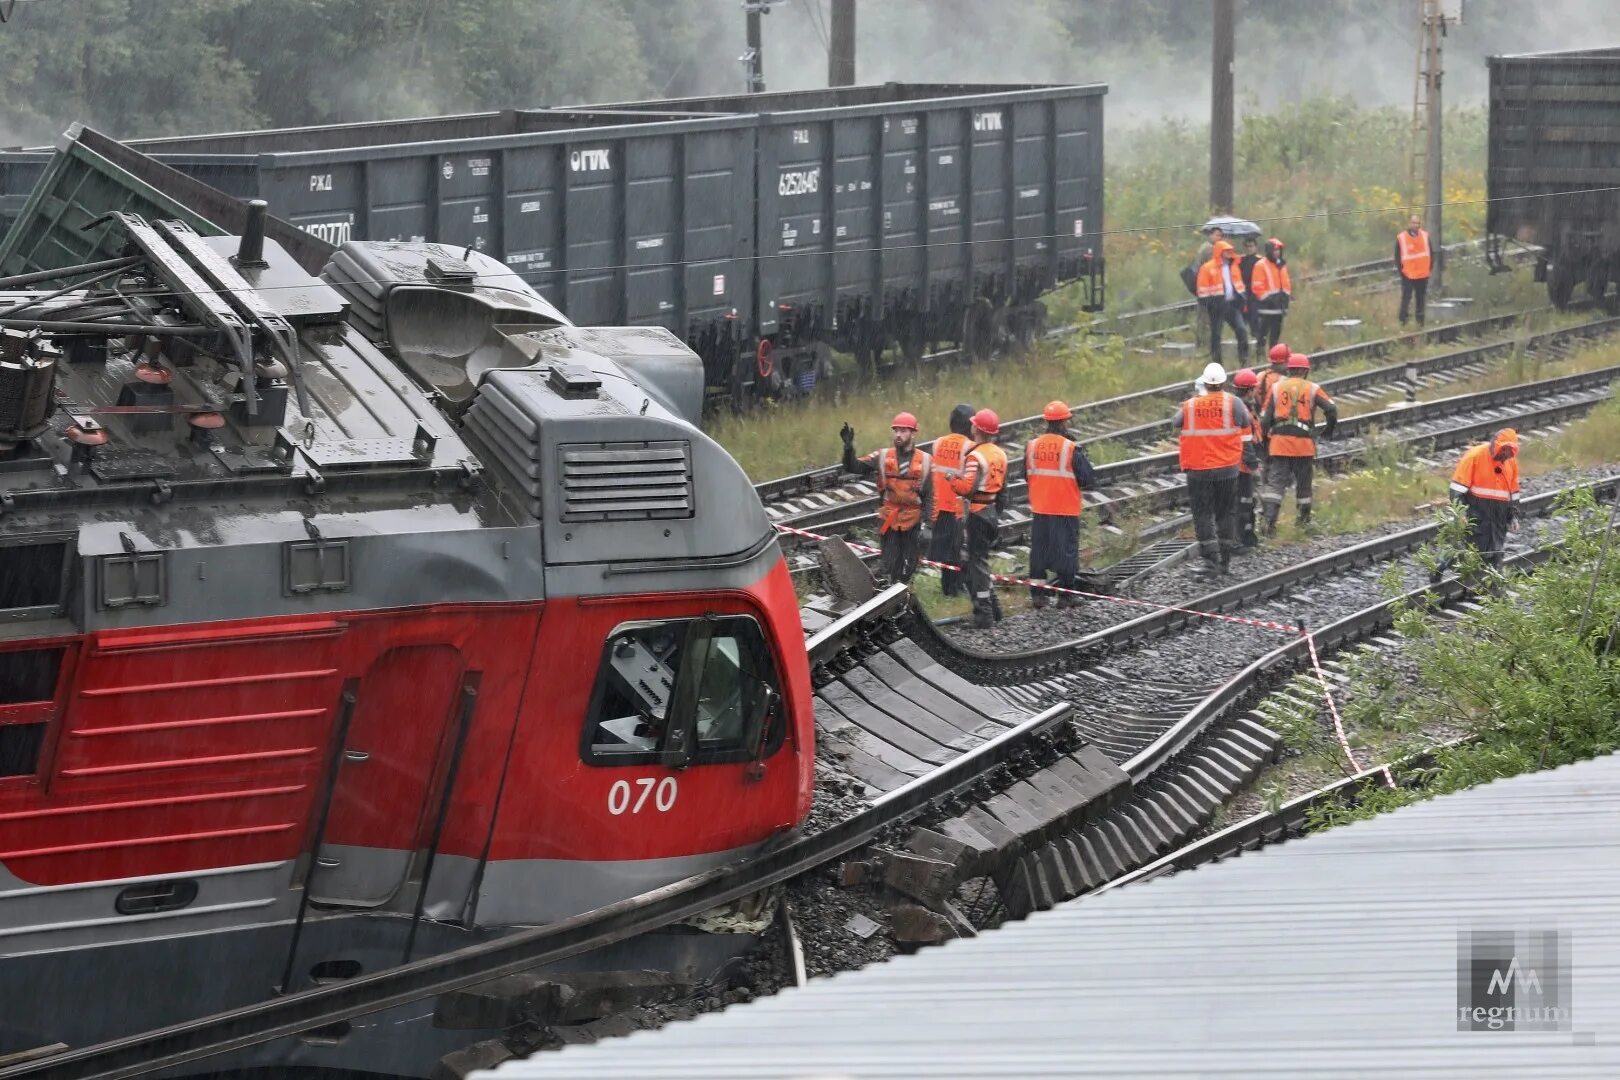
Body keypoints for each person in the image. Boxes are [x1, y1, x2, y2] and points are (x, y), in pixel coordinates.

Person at [1174, 363, 1258, 576]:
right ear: (1223, 383)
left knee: (1202, 514)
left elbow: (1176, 422)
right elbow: (1245, 422)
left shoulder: (1190, 406)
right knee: (1225, 513)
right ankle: (1225, 561)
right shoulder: (1234, 403)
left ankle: (1210, 561)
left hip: (1198, 469)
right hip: (1227, 469)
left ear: (1204, 383)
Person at [840, 412, 932, 584]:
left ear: (913, 433)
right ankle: (890, 595)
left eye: (903, 431)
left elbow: (930, 496)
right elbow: (854, 466)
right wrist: (848, 448)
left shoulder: (926, 461)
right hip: (889, 519)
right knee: (889, 565)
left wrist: (928, 526)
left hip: (913, 522)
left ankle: (903, 594)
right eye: (896, 430)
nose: (898, 434)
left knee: (908, 567)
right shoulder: (882, 456)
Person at [1024, 400, 1098, 609]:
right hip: (1065, 509)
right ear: (1065, 422)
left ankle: (1038, 596)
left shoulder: (1032, 446)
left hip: (1040, 507)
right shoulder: (1070, 447)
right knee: (1066, 551)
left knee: (1039, 551)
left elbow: (1026, 475)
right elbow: (1087, 478)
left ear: (1046, 421)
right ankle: (1066, 596)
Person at [1260, 352, 1339, 534]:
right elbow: (1331, 409)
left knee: (1275, 484)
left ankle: (1269, 523)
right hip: (1304, 445)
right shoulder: (1312, 388)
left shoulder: (1276, 388)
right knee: (1304, 483)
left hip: (1279, 444)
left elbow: (1264, 420)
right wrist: (1328, 430)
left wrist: (1265, 442)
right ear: (1305, 371)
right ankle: (1303, 523)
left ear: (1289, 369)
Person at [951, 408, 1007, 628]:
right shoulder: (1000, 454)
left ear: (977, 428)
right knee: (978, 560)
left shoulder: (976, 456)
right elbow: (1004, 491)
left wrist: (951, 479)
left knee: (976, 563)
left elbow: (966, 488)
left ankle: (984, 615)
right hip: (991, 511)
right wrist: (995, 513)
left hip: (977, 513)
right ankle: (993, 608)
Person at [1438, 428, 1521, 576]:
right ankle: (1438, 567)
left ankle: (1495, 594)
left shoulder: (1511, 463)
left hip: (1498, 518)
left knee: (1495, 554)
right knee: (1463, 548)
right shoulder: (1475, 456)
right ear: (1494, 445)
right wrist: (1461, 513)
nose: (1506, 454)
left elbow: (1513, 494)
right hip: (1475, 513)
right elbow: (1457, 489)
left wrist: (1513, 516)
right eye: (1504, 449)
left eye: (1510, 451)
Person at [928, 404, 975, 597]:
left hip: (939, 505)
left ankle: (947, 588)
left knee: (945, 551)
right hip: (958, 506)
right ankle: (955, 589)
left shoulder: (938, 443)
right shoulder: (970, 447)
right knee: (958, 549)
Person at [1195, 239, 1250, 364]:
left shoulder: (1234, 266)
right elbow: (1202, 291)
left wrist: (1242, 300)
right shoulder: (1207, 268)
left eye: (1230, 250)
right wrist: (1211, 305)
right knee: (1216, 336)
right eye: (1226, 251)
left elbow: (1239, 285)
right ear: (1219, 251)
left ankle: (1244, 359)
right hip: (1217, 307)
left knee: (1241, 330)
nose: (1229, 253)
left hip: (1232, 306)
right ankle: (1217, 363)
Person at [1232, 368, 1265, 548]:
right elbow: (1246, 442)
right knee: (1243, 503)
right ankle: (1241, 540)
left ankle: (1247, 537)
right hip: (1241, 466)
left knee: (1245, 502)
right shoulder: (1242, 411)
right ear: (1250, 390)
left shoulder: (1241, 407)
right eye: (1255, 389)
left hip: (1236, 464)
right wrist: (1253, 466)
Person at [1249, 239, 1289, 354]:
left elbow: (1286, 283)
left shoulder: (1281, 264)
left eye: (1279, 250)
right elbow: (1257, 287)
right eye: (1275, 250)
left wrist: (1286, 297)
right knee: (1262, 334)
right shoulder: (1260, 265)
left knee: (1276, 335)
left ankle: (1274, 356)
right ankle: (1260, 355)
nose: (1277, 252)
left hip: (1279, 306)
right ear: (1269, 250)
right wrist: (1270, 298)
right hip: (1266, 307)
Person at [1396, 213, 1432, 327]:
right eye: (1413, 223)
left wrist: (1428, 269)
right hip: (1408, 273)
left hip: (1422, 274)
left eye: (1417, 223)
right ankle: (1403, 321)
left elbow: (1431, 253)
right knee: (1406, 297)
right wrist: (1402, 272)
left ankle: (1420, 321)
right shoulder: (1402, 238)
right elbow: (1397, 256)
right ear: (1409, 223)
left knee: (1420, 298)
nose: (1416, 225)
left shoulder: (1425, 236)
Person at [1256, 342, 1291, 412]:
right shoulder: (1284, 381)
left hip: (1260, 415)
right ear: (1284, 362)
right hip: (1274, 416)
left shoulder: (1260, 375)